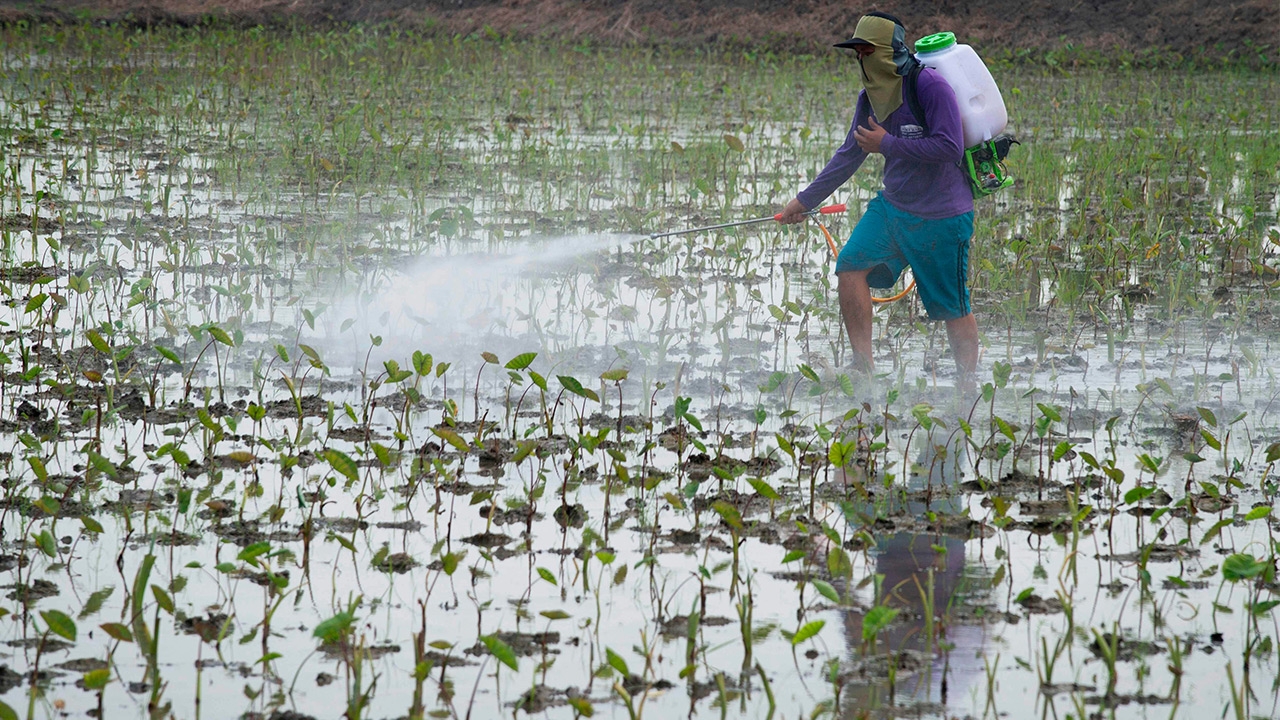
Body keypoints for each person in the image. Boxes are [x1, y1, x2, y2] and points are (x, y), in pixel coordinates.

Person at [777, 12, 979, 383]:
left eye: (867, 51)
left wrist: (887, 144)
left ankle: (969, 387)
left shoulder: (930, 87)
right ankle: (863, 367)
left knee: (953, 307)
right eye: (856, 52)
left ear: (890, 52)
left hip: (941, 215)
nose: (861, 60)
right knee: (850, 266)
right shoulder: (870, 99)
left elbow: (950, 147)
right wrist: (804, 201)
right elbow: (849, 154)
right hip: (893, 208)